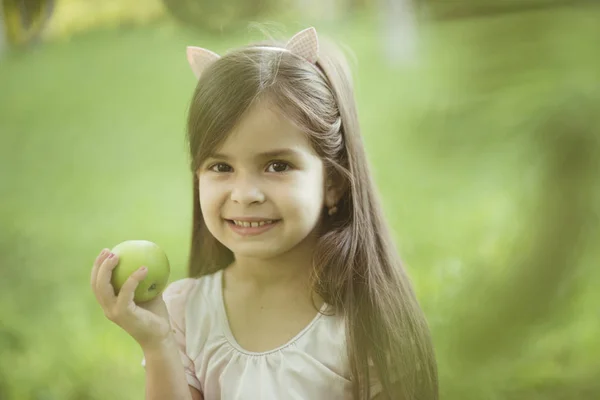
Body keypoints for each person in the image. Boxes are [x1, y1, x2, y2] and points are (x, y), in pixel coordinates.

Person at [90, 27, 438, 400]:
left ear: (332, 182)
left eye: (276, 165)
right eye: (221, 167)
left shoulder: (366, 322)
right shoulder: (184, 314)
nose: (245, 194)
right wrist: (157, 343)